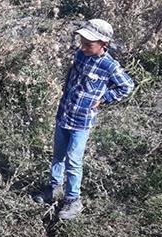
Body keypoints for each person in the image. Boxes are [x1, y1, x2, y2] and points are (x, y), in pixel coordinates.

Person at [33, 19, 134, 220]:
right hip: (64, 115)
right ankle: (54, 188)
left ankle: (73, 200)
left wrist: (104, 98)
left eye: (89, 44)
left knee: (73, 160)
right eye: (82, 42)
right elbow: (73, 79)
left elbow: (127, 86)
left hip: (81, 122)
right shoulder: (80, 54)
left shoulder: (109, 65)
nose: (83, 47)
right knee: (58, 154)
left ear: (103, 44)